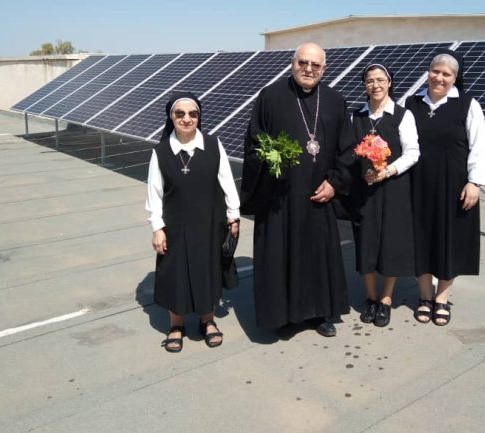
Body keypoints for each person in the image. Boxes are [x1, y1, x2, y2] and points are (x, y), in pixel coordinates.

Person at [241, 42, 353, 337]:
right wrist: (268, 164)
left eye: (315, 65)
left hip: (320, 195)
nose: (309, 69)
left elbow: (348, 149)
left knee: (317, 257)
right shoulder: (271, 97)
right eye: (303, 62)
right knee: (282, 256)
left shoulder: (335, 100)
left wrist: (335, 182)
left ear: (324, 69)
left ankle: (319, 314)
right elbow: (254, 142)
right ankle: (284, 316)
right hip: (280, 198)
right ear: (293, 63)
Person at [146, 92, 240, 352]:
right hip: (175, 226)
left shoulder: (213, 144)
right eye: (180, 114)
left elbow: (227, 182)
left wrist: (233, 214)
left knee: (206, 271)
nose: (187, 119)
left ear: (199, 117)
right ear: (171, 117)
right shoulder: (161, 152)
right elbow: (154, 194)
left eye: (193, 114)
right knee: (176, 274)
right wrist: (157, 228)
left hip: (210, 223)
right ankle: (176, 325)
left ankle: (207, 321)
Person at [405, 50, 485, 326]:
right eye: (435, 71)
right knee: (421, 241)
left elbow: (479, 146)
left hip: (455, 187)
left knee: (450, 243)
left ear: (455, 77)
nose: (439, 78)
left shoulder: (467, 104)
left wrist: (474, 182)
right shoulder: (412, 103)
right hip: (419, 186)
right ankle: (424, 297)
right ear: (428, 72)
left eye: (447, 74)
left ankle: (441, 299)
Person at [348, 63, 420, 327]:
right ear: (364, 84)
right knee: (365, 242)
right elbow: (348, 150)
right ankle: (370, 296)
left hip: (393, 188)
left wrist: (387, 171)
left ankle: (386, 299)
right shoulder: (356, 116)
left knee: (391, 244)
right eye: (369, 80)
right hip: (364, 190)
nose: (375, 85)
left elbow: (413, 152)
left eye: (380, 80)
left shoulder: (403, 115)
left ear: (389, 82)